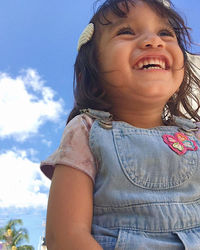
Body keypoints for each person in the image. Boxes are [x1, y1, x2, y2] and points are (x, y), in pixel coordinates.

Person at [40, 0, 200, 249]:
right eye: (126, 31)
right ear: (92, 76)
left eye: (165, 33)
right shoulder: (87, 131)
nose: (153, 41)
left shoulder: (195, 134)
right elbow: (65, 237)